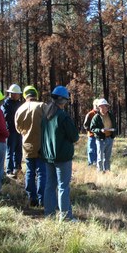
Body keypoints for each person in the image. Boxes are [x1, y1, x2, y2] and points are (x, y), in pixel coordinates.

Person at [41, 86, 79, 221]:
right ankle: (66, 217)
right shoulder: (63, 116)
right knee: (63, 187)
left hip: (48, 156)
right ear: (63, 101)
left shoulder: (46, 115)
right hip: (62, 157)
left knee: (50, 186)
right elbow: (74, 136)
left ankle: (49, 215)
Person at [15, 85, 48, 207]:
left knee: (29, 171)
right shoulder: (42, 106)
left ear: (25, 96)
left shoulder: (20, 109)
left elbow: (18, 129)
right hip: (41, 144)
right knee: (42, 172)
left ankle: (31, 197)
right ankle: (42, 199)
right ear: (36, 95)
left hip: (27, 144)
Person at [1, 84, 23, 178]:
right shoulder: (6, 104)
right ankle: (9, 170)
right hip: (10, 131)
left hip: (19, 131)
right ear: (13, 94)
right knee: (10, 151)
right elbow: (5, 116)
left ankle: (17, 168)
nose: (19, 95)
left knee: (18, 150)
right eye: (18, 94)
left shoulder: (19, 103)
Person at [90, 99, 117, 173]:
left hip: (110, 138)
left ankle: (107, 171)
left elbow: (115, 125)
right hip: (101, 139)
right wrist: (100, 130)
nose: (104, 108)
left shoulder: (111, 115)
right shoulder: (96, 117)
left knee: (107, 157)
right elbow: (92, 128)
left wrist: (114, 130)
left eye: (105, 106)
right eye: (102, 106)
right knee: (100, 157)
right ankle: (99, 172)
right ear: (99, 107)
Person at [83, 99, 99, 167]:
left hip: (99, 135)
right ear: (94, 105)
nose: (98, 107)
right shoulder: (90, 114)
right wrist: (92, 130)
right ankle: (91, 164)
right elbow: (85, 125)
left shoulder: (101, 114)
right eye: (97, 105)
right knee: (91, 150)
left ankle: (96, 163)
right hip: (91, 135)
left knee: (98, 150)